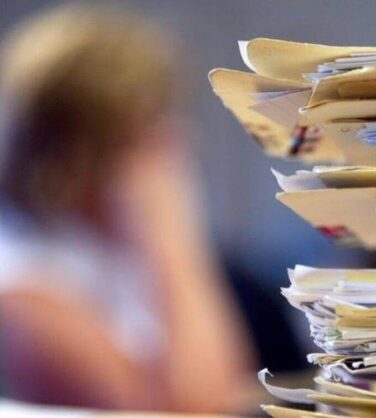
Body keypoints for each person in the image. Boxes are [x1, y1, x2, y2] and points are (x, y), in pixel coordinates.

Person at [0, 4, 256, 413]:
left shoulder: (115, 249)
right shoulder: (23, 281)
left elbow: (234, 386)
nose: (178, 139)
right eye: (149, 130)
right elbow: (201, 408)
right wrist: (170, 235)